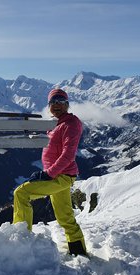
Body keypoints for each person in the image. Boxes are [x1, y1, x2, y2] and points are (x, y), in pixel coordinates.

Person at [12, 88, 87, 256]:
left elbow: (68, 154)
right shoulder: (56, 123)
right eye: (53, 102)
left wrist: (48, 174)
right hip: (61, 175)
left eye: (60, 101)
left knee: (21, 193)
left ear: (67, 104)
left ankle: (20, 240)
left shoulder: (71, 123)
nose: (56, 105)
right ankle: (78, 250)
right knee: (65, 216)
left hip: (60, 176)